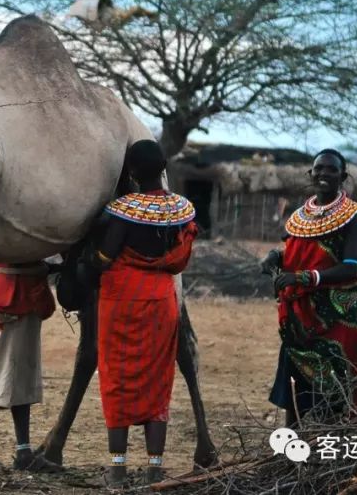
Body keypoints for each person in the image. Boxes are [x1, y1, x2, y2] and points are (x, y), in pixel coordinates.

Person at [91, 139, 197, 487]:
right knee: (157, 381)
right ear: (163, 167)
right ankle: (154, 467)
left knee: (118, 378)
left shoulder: (122, 209)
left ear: (132, 172)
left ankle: (118, 469)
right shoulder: (181, 210)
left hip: (123, 302)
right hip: (162, 303)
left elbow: (106, 257)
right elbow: (180, 256)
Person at [260, 148, 357, 427]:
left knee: (332, 391)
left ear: (342, 176)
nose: (323, 174)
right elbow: (295, 252)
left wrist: (304, 278)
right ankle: (290, 449)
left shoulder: (351, 216)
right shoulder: (300, 216)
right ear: (311, 173)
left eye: (330, 169)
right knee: (295, 386)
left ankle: (327, 453)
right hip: (299, 315)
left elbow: (350, 266)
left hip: (333, 316)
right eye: (318, 168)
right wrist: (275, 258)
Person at [0, 256, 63, 474]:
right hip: (8, 297)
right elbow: (1, 249)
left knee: (24, 375)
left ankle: (24, 453)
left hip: (29, 294)